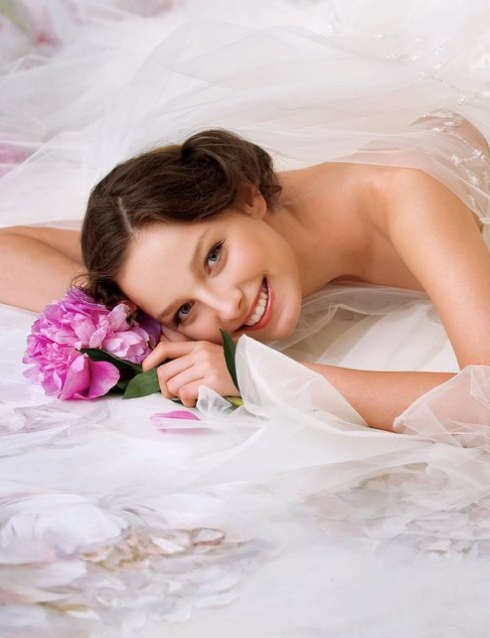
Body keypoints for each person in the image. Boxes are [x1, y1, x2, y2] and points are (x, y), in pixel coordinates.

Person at [2, 111, 490, 433]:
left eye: (213, 257)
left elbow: (484, 400)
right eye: (185, 308)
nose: (227, 305)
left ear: (248, 196)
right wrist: (133, 322)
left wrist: (258, 375)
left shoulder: (405, 191)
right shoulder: (158, 248)